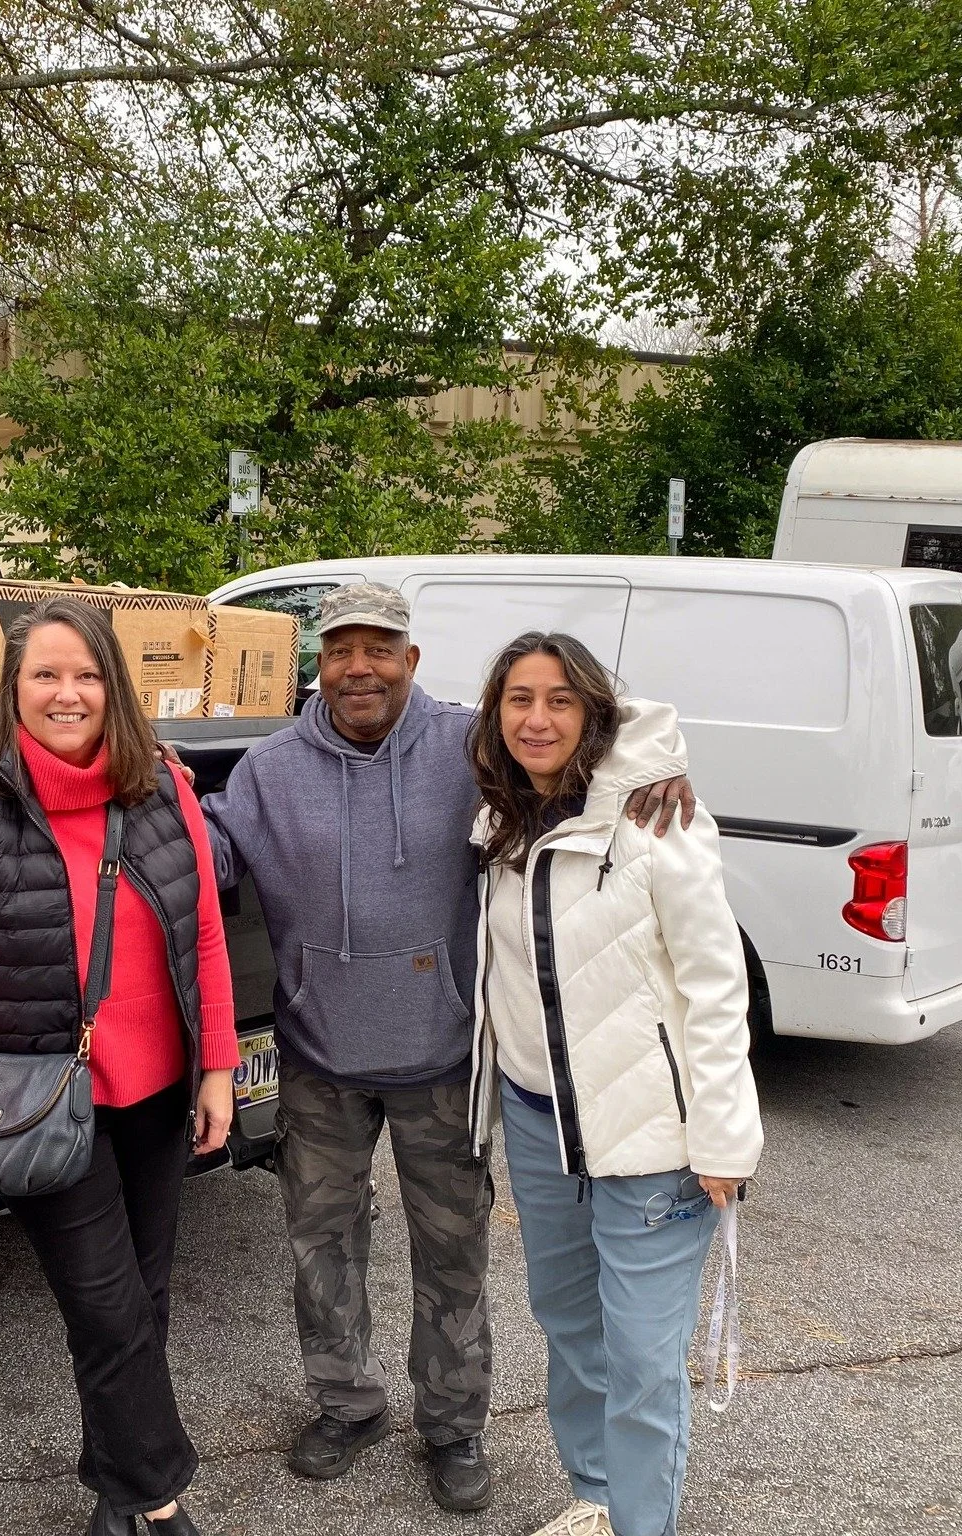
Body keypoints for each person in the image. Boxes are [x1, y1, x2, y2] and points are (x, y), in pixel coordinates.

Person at [197, 582, 694, 1516]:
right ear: (320, 665)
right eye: (341, 649)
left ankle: (455, 1425)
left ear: (411, 660)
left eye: (379, 648)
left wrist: (658, 764)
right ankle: (346, 1404)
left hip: (443, 1062)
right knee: (321, 1246)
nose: (359, 667)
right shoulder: (270, 769)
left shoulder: (470, 748)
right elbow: (211, 850)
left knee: (454, 1251)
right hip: (319, 1058)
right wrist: (153, 804)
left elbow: (575, 741)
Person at [0, 597, 240, 1536]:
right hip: (46, 1095)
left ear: (114, 689)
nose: (68, 692)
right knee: (107, 1304)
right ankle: (161, 1495)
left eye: (87, 674)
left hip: (160, 1087)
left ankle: (113, 1489)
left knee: (143, 1294)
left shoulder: (165, 790)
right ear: (11, 691)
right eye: (45, 674)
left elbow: (206, 937)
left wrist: (219, 1067)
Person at [465, 631, 763, 1536]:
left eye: (562, 699)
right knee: (567, 1322)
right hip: (537, 1120)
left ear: (597, 711)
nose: (539, 718)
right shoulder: (498, 820)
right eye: (520, 699)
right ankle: (595, 1493)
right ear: (496, 715)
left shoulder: (653, 820)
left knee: (640, 1359)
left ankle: (643, 1523)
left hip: (648, 1138)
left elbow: (716, 983)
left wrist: (723, 1136)